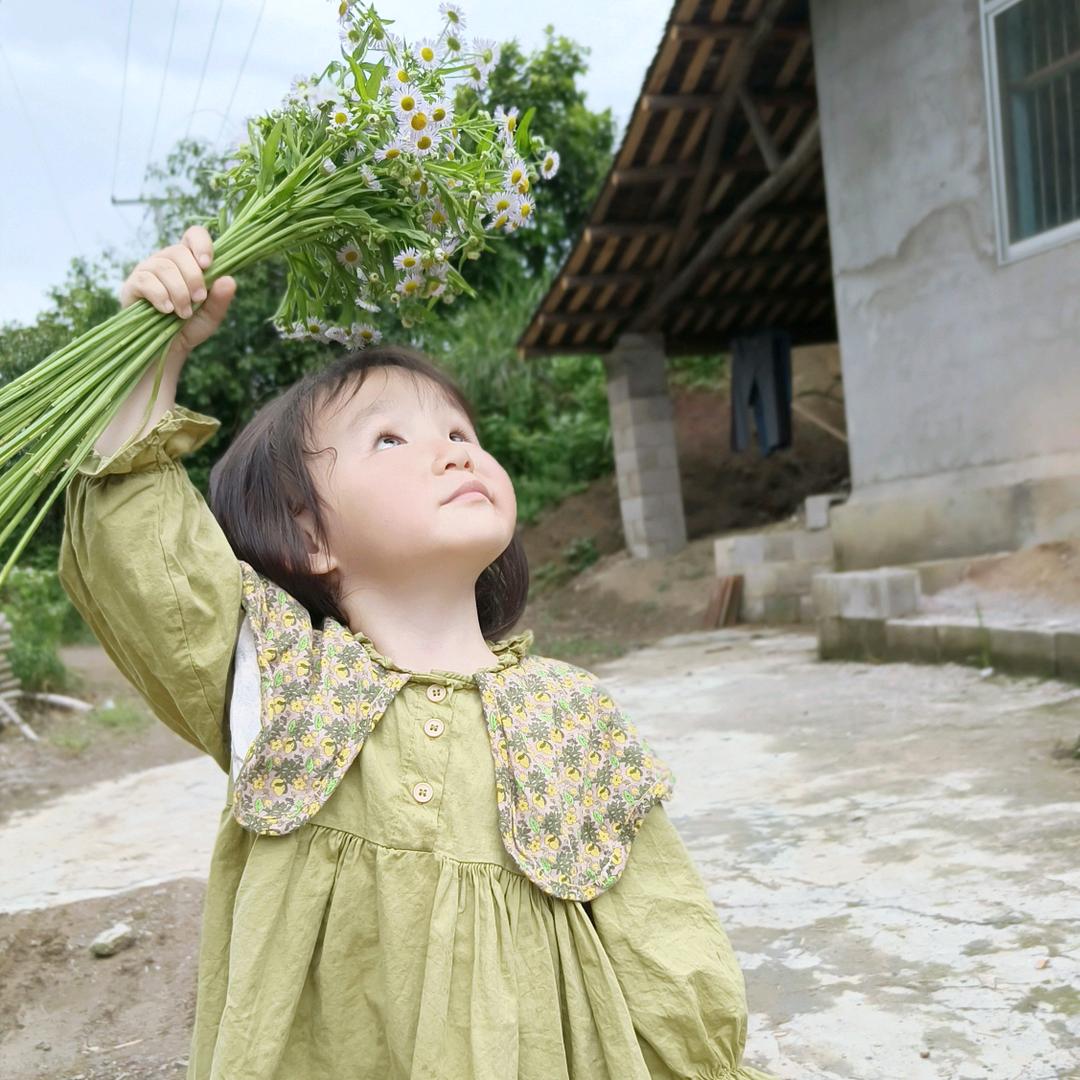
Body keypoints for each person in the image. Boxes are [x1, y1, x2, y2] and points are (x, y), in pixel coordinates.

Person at [58, 225, 777, 1080]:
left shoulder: (570, 711)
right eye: (389, 439)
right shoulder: (289, 682)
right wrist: (152, 359)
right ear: (305, 535)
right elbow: (148, 563)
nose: (452, 449)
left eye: (463, 435)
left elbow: (662, 923)